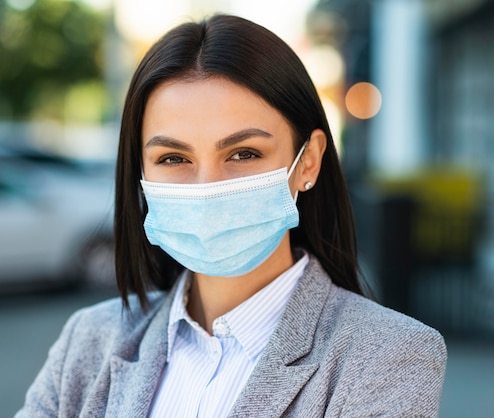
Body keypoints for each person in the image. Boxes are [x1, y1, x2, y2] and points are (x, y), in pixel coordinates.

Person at [16, 14, 446, 418]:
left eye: (244, 153)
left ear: (308, 161)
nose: (207, 186)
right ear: (140, 171)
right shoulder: (88, 341)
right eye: (173, 158)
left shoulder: (389, 356)